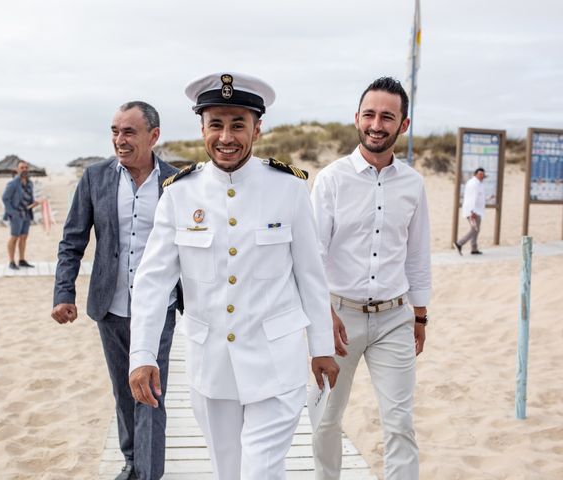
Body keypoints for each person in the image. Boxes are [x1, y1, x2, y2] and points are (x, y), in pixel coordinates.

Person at [128, 72, 339, 480]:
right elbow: (153, 282)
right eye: (216, 124)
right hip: (212, 368)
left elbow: (310, 275)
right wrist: (142, 355)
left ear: (257, 129)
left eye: (238, 124)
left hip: (277, 365)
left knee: (260, 472)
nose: (227, 137)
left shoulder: (289, 188)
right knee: (228, 472)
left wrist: (321, 348)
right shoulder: (179, 194)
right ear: (202, 128)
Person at [51, 101, 182, 480]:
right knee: (125, 392)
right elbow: (72, 240)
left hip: (160, 307)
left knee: (151, 394)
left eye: (128, 132)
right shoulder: (94, 178)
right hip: (109, 306)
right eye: (114, 131)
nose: (119, 140)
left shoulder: (178, 180)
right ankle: (131, 460)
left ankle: (148, 473)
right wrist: (64, 293)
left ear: (153, 136)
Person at [310, 77, 432, 480]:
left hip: (394, 319)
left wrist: (420, 315)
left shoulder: (413, 185)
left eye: (387, 117)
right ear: (357, 119)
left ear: (404, 124)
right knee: (326, 419)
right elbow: (312, 256)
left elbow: (416, 254)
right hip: (338, 318)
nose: (377, 124)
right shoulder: (331, 179)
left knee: (400, 423)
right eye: (370, 115)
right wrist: (322, 313)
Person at [2, 160, 38, 269]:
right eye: (22, 168)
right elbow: (5, 198)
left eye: (26, 167)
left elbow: (29, 198)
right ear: (17, 170)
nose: (25, 169)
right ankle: (11, 262)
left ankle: (22, 260)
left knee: (24, 237)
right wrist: (12, 213)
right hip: (16, 215)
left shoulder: (30, 183)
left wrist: (34, 203)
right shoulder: (13, 183)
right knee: (14, 237)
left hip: (27, 213)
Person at [454, 167, 486, 255]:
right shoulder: (473, 183)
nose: (481, 176)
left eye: (483, 175)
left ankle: (474, 248)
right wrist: (472, 211)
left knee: (476, 229)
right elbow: (471, 198)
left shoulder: (479, 183)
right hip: (473, 211)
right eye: (480, 174)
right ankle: (459, 243)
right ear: (475, 174)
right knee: (474, 229)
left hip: (477, 211)